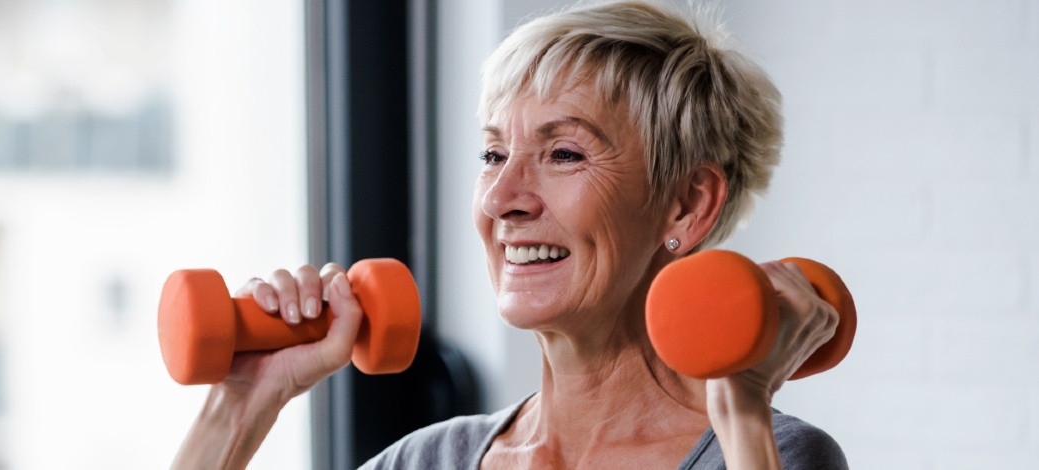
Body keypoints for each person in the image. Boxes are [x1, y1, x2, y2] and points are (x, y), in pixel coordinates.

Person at [171, 0, 849, 468]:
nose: (501, 199)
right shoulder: (427, 460)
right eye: (493, 155)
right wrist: (239, 407)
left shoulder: (767, 452)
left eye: (564, 154)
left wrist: (741, 408)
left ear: (686, 205)